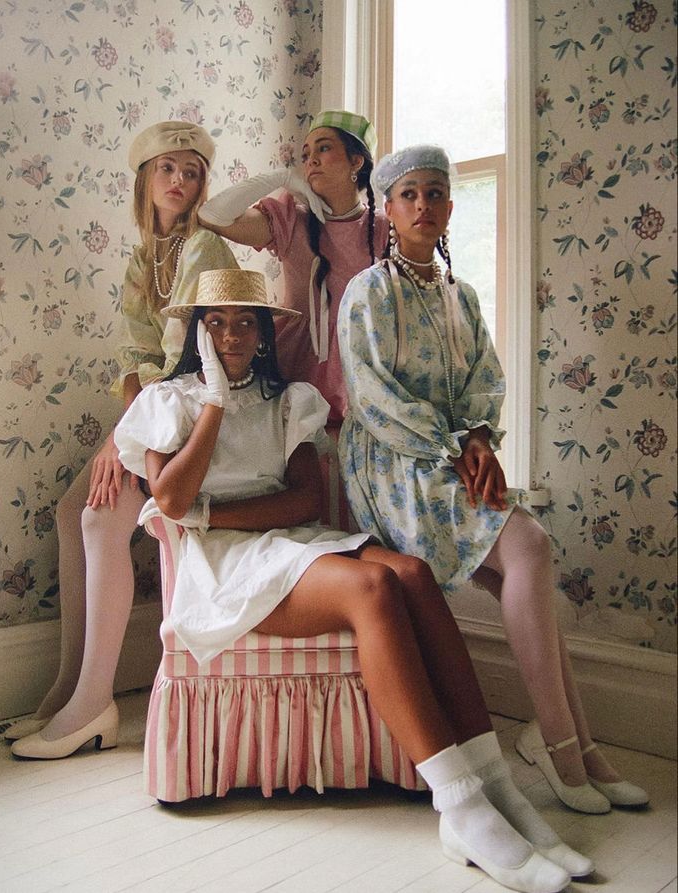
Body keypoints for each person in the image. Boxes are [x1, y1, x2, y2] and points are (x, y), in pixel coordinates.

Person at [111, 267, 590, 893]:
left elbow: (306, 501)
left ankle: (497, 788)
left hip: (286, 544)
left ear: (262, 334)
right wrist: (215, 405)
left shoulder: (288, 401)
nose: (231, 335)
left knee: (412, 574)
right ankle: (461, 803)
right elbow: (171, 500)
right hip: (224, 566)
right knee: (373, 588)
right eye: (216, 322)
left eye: (245, 322)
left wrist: (215, 512)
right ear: (197, 332)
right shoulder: (166, 402)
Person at [337, 144, 649, 816]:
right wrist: (457, 444)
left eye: (436, 193)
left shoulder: (462, 296)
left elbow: (485, 382)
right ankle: (566, 749)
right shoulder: (369, 291)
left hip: (450, 459)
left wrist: (478, 436)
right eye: (410, 194)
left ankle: (575, 743)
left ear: (450, 206)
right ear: (387, 209)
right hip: (393, 468)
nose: (425, 206)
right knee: (530, 546)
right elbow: (373, 399)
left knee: (523, 566)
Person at [9, 121, 238, 759]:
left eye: (191, 172)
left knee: (101, 520)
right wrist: (124, 428)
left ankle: (93, 703)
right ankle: (67, 687)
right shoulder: (144, 257)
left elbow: (185, 361)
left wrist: (124, 437)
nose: (180, 182)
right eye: (167, 169)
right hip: (157, 405)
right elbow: (138, 353)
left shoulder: (205, 252)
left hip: (201, 412)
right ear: (145, 178)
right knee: (69, 510)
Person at [197, 110, 387, 527]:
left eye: (324, 148)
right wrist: (282, 179)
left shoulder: (383, 231)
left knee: (359, 506)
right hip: (296, 366)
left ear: (357, 162)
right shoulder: (292, 219)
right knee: (304, 493)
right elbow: (212, 216)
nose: (311, 160)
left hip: (362, 374)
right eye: (305, 154)